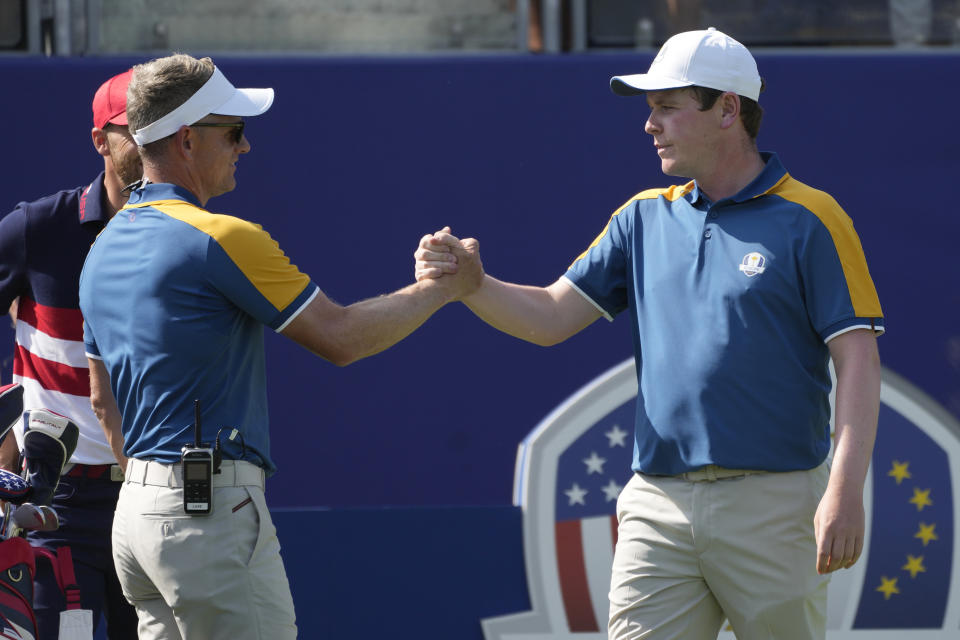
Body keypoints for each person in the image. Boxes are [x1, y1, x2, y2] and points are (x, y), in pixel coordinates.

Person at [415, 27, 883, 640]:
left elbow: (858, 360)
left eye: (667, 106)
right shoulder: (641, 216)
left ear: (728, 110)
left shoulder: (814, 217)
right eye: (649, 109)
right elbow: (553, 316)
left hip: (777, 504)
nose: (649, 124)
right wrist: (473, 284)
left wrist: (845, 491)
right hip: (656, 505)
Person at [77, 53, 481, 640]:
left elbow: (102, 400)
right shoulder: (223, 237)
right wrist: (440, 290)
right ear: (187, 140)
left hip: (136, 519)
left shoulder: (101, 249)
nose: (245, 147)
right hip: (205, 516)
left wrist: (153, 491)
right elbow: (341, 338)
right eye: (234, 132)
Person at [0, 69, 141, 639]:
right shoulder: (38, 226)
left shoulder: (195, 237)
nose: (149, 144)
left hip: (154, 494)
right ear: (100, 140)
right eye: (133, 131)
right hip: (56, 500)